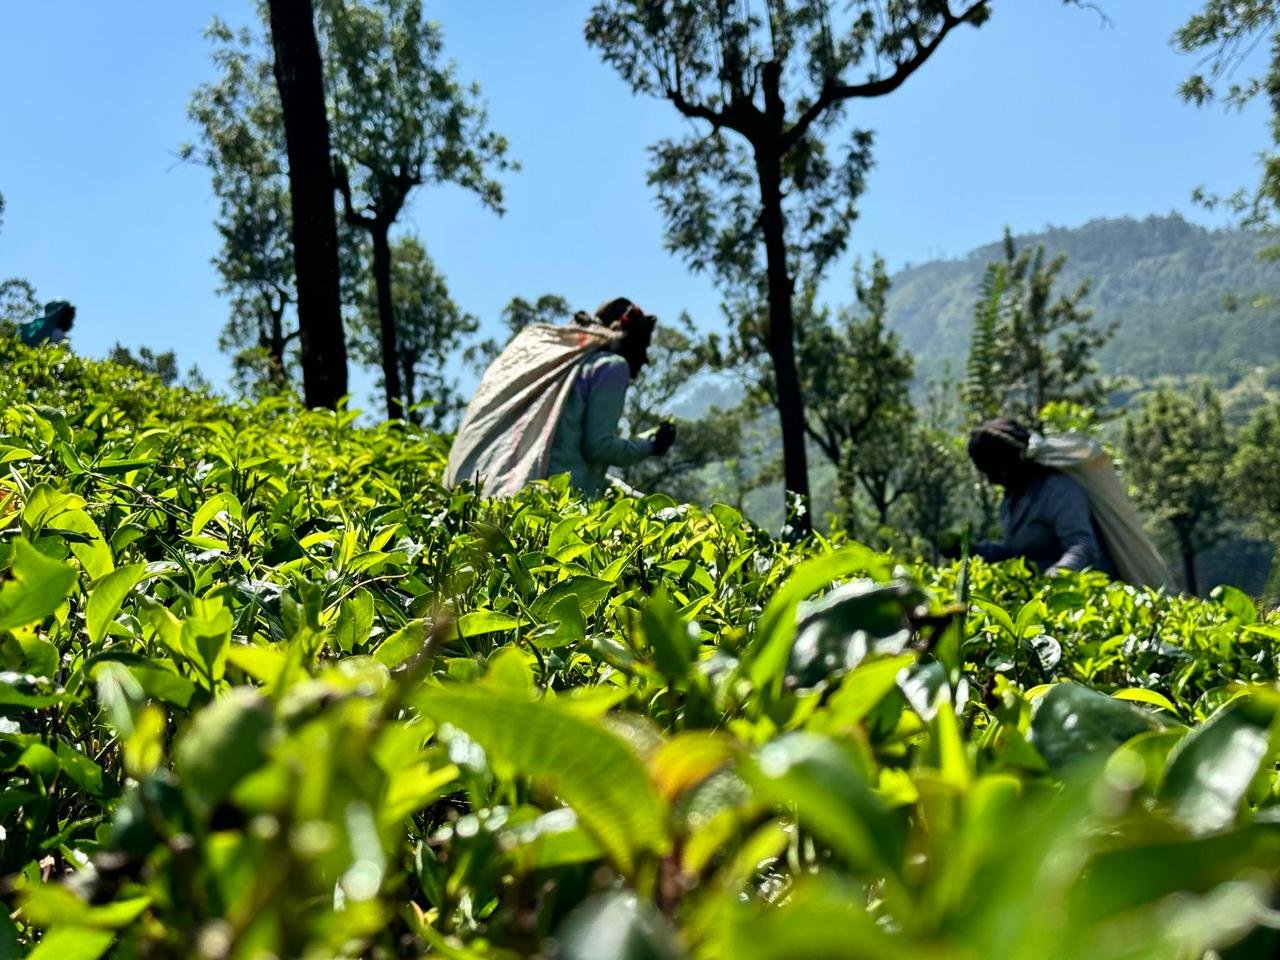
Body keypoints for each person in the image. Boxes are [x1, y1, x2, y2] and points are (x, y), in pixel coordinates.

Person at [444, 296, 675, 498]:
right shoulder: (612, 367)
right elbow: (598, 448)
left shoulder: (574, 367)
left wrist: (649, 440)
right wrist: (651, 447)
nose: (645, 359)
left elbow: (578, 459)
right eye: (644, 345)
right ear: (630, 338)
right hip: (556, 505)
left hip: (524, 494)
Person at [966, 417, 1118, 577]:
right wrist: (976, 550)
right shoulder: (1011, 500)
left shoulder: (1058, 490)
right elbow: (1018, 552)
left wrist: (1056, 575)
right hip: (1040, 594)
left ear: (1013, 463)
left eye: (995, 471)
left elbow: (1083, 546)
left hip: (1078, 593)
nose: (991, 480)